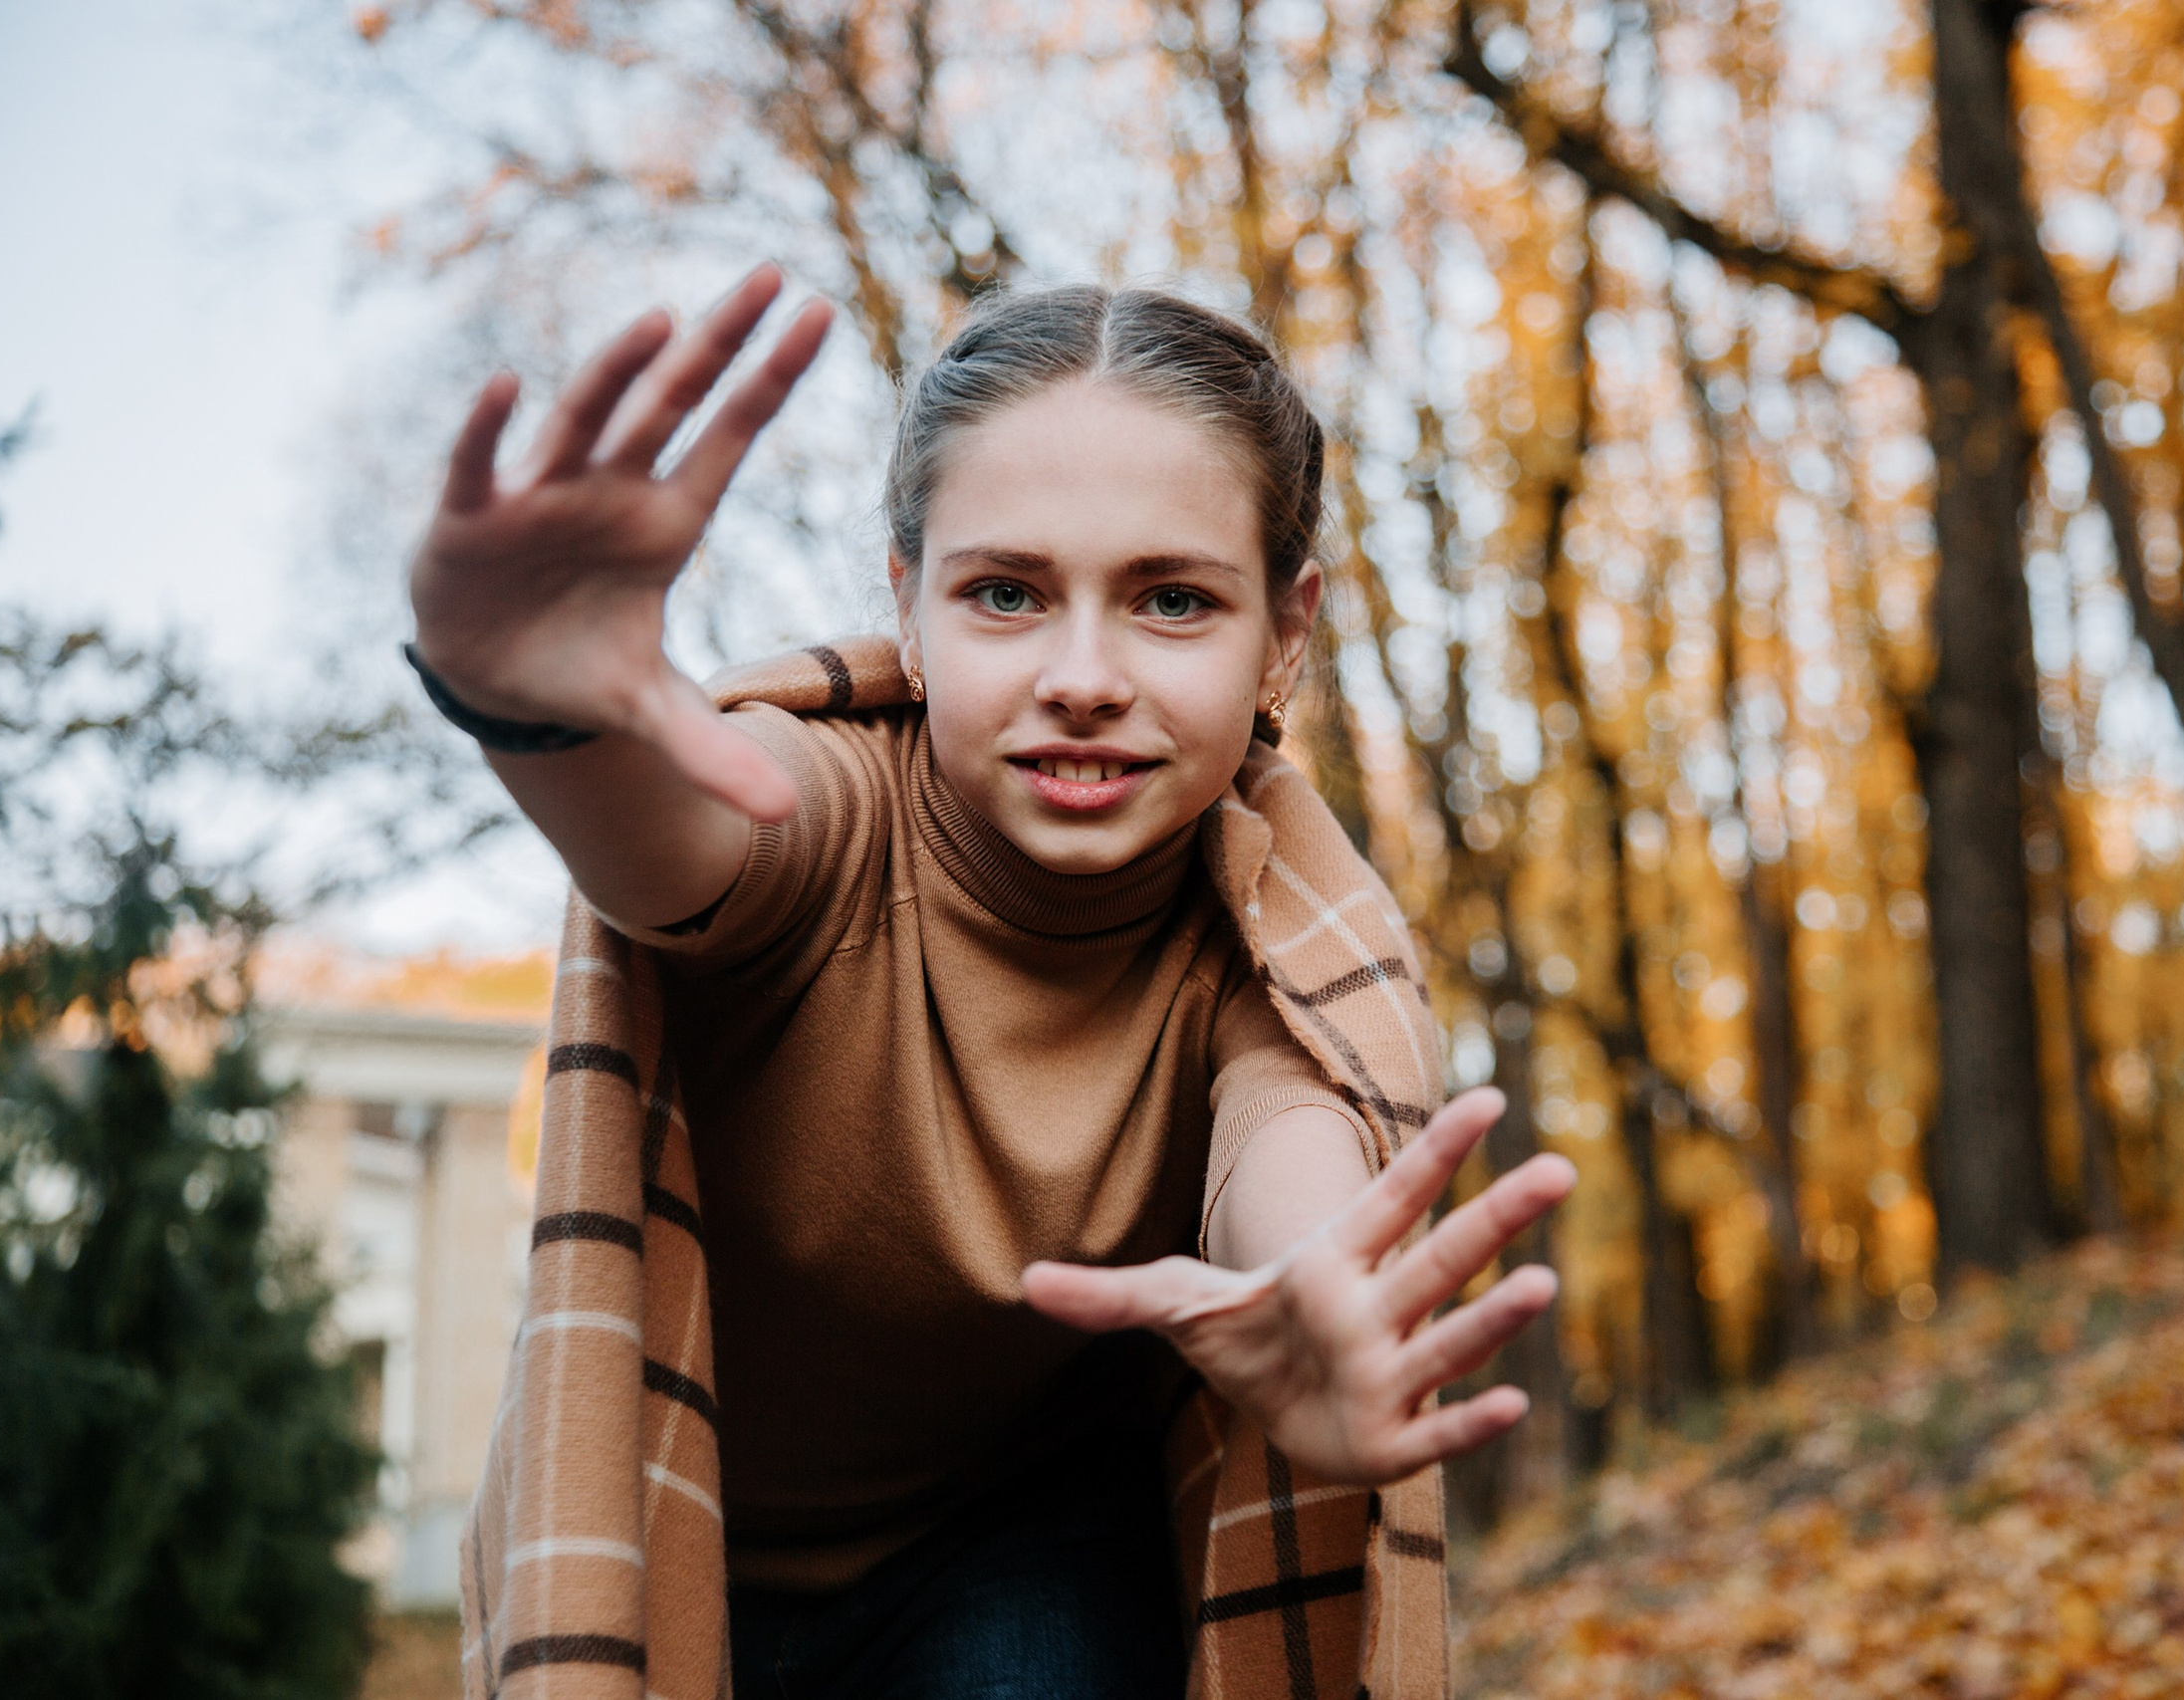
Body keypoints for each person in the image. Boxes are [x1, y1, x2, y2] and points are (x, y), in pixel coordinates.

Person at [406, 264, 1577, 1699]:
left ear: (1286, 632)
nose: (1082, 675)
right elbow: (673, 847)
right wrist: (538, 714)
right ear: (910, 608)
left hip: (1014, 1550)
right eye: (1007, 593)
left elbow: (1288, 1139)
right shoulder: (826, 809)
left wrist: (1308, 1284)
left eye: (1171, 601)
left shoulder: (1275, 937)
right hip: (681, 1524)